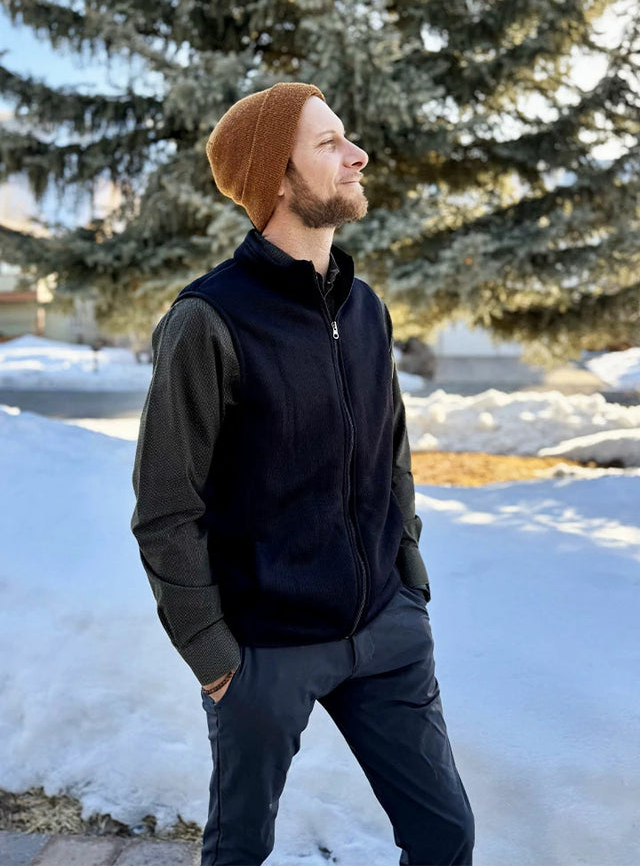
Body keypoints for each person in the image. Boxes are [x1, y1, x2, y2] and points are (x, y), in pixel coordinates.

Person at [131, 82, 474, 866]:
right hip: (265, 651)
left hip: (385, 630)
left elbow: (390, 452)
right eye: (328, 144)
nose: (357, 156)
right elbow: (165, 507)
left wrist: (408, 579)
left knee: (446, 835)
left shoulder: (366, 309)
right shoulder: (207, 320)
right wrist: (214, 655)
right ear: (276, 180)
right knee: (239, 850)